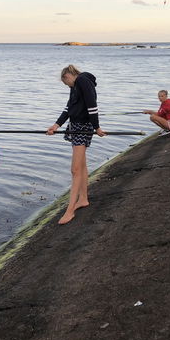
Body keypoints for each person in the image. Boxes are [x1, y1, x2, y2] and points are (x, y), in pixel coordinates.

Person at [46, 65, 106, 225]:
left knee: (75, 169)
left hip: (83, 127)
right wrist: (56, 125)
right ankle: (83, 199)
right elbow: (69, 108)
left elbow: (92, 106)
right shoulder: (77, 85)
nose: (67, 86)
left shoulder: (82, 81)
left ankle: (70, 210)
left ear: (68, 76)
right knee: (82, 165)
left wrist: (96, 127)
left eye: (66, 82)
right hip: (75, 126)